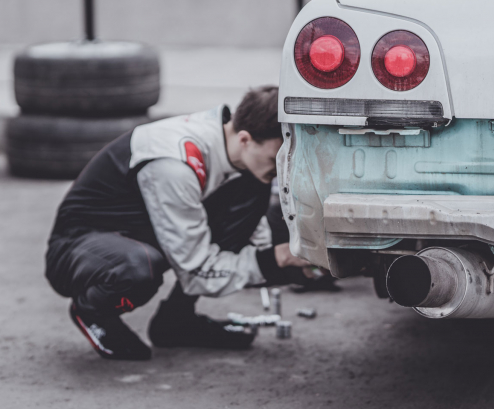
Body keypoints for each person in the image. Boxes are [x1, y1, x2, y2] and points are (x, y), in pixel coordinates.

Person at [45, 85, 312, 360]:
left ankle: (176, 322)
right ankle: (92, 308)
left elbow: (251, 241)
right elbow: (197, 271)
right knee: (140, 268)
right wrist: (274, 261)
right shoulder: (176, 165)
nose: (283, 172)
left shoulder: (227, 140)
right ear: (245, 139)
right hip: (79, 249)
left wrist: (291, 263)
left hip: (141, 228)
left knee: (252, 187)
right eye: (275, 160)